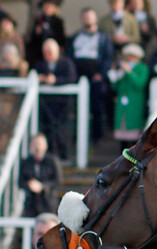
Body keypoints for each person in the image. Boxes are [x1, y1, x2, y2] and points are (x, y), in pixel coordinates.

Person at [67, 7, 114, 145]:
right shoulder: (76, 37)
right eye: (85, 17)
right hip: (79, 77)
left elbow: (108, 57)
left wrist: (101, 74)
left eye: (90, 17)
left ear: (95, 19)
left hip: (96, 77)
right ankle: (77, 136)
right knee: (77, 107)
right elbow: (70, 57)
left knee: (97, 105)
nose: (88, 20)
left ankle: (97, 136)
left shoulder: (103, 38)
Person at [35, 38, 77, 160]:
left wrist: (56, 81)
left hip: (63, 104)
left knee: (60, 131)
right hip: (46, 104)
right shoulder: (41, 64)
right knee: (46, 130)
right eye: (45, 51)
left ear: (57, 51)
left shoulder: (66, 63)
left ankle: (64, 156)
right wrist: (41, 79)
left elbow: (72, 78)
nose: (48, 54)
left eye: (50, 51)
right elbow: (34, 75)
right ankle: (49, 155)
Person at [109, 43, 148, 146]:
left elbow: (139, 83)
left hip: (134, 103)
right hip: (122, 103)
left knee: (133, 130)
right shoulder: (123, 69)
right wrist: (114, 76)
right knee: (122, 131)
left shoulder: (142, 68)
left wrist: (129, 71)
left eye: (133, 56)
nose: (130, 58)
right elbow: (116, 87)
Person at [19, 133, 61, 217]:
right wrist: (30, 185)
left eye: (39, 144)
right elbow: (20, 182)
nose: (37, 147)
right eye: (35, 144)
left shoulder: (52, 161)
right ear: (30, 146)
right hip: (31, 205)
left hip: (48, 203)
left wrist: (42, 186)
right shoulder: (25, 162)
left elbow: (57, 180)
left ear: (45, 146)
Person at [26, 0, 65, 66]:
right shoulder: (39, 20)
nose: (47, 9)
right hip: (40, 47)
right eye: (46, 7)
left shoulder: (58, 21)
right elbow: (33, 37)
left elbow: (61, 36)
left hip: (53, 46)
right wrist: (37, 33)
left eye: (49, 7)